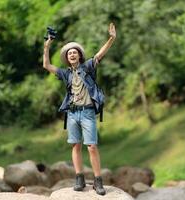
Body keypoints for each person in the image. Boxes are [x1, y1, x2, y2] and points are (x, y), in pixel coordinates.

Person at [43, 23, 116, 195]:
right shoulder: (65, 73)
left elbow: (100, 54)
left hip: (87, 112)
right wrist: (46, 46)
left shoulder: (88, 67)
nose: (72, 54)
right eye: (69, 53)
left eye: (75, 52)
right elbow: (46, 65)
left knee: (91, 146)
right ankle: (79, 178)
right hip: (72, 113)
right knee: (75, 145)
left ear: (80, 55)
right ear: (67, 58)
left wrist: (111, 38)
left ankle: (98, 181)